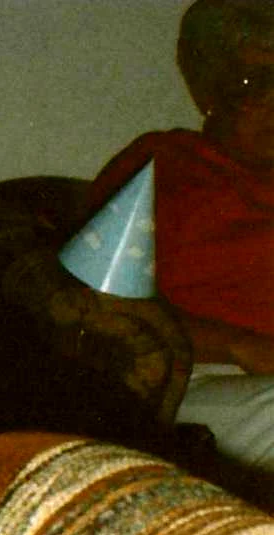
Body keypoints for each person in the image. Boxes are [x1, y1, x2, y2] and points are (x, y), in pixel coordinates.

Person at [86, 0, 274, 481]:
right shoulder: (163, 165)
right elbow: (86, 305)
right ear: (209, 90)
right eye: (253, 83)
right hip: (194, 377)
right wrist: (236, 345)